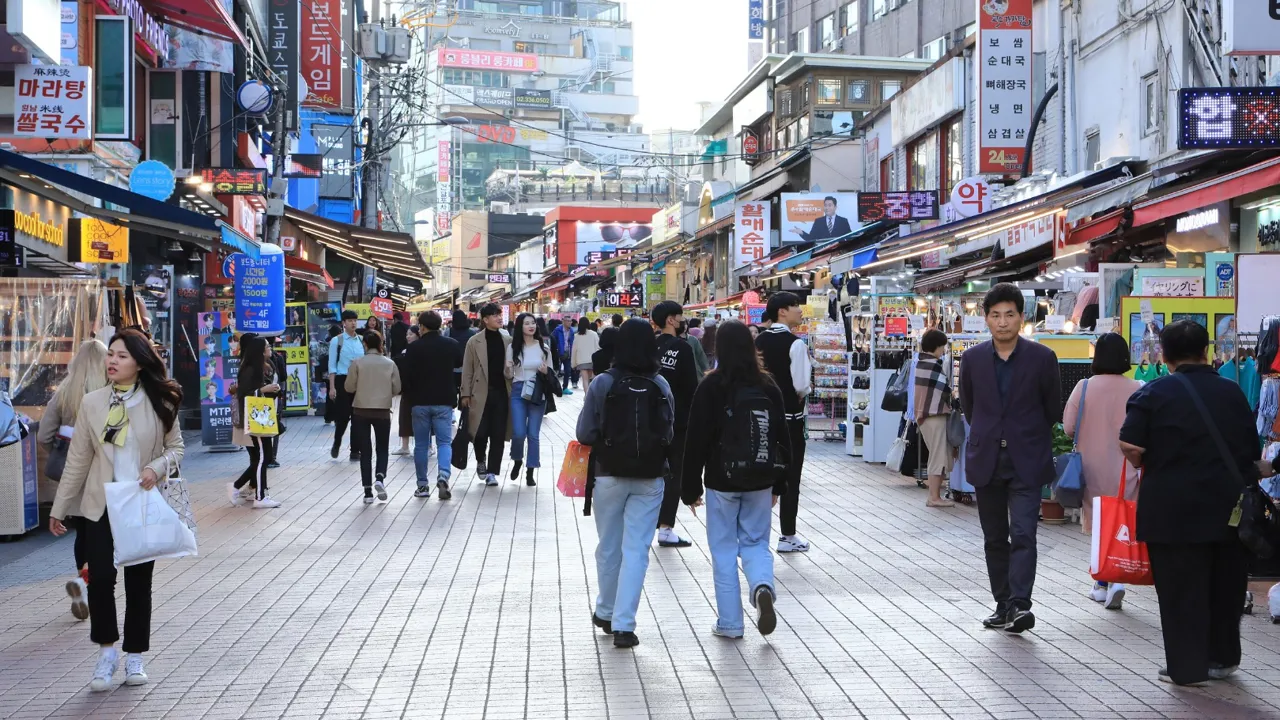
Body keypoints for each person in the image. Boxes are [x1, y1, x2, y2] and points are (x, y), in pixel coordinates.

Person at [1119, 320, 1272, 686]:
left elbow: (1131, 445)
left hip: (1170, 509)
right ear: (1206, 352)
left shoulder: (1152, 393)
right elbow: (1250, 451)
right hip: (1228, 508)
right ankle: (1222, 658)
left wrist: (1149, 463)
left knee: (1179, 588)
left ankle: (1187, 667)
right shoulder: (1232, 392)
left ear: (1164, 356)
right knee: (1226, 585)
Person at [49, 328, 184, 691]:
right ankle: (106, 654)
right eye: (111, 354)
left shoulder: (161, 401)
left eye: (122, 355)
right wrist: (60, 507)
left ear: (139, 363)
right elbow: (77, 459)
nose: (113, 360)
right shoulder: (92, 403)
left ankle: (135, 655)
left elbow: (177, 449)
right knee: (102, 579)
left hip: (139, 504)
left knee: (139, 583)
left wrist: (155, 469)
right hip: (99, 505)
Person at [959, 283, 1061, 634]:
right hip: (987, 457)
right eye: (995, 315)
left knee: (1024, 533)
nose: (1002, 322)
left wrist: (1025, 433)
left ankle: (1020, 604)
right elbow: (969, 407)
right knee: (993, 536)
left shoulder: (1042, 358)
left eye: (1009, 315)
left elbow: (1052, 408)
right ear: (985, 319)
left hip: (1027, 458)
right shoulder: (971, 359)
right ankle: (1002, 603)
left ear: (1021, 318)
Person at [681, 320, 789, 639]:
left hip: (721, 480)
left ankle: (730, 623)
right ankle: (761, 587)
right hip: (760, 478)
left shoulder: (711, 386)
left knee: (724, 550)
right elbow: (783, 440)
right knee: (756, 542)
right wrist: (779, 484)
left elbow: (696, 439)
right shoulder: (768, 384)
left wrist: (690, 488)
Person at [576, 318, 675, 649]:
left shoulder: (603, 383)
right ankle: (624, 625)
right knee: (636, 550)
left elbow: (584, 433)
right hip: (650, 477)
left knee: (609, 545)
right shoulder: (660, 385)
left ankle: (605, 610)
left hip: (608, 475)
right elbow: (669, 433)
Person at [1063, 332, 1142, 610]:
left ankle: (1102, 583)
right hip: (1126, 467)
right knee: (1122, 522)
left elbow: (1069, 427)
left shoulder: (1083, 387)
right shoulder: (1139, 387)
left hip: (1091, 466)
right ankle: (1118, 575)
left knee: (1099, 524)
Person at [40, 339, 109, 622]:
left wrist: (62, 453)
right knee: (106, 535)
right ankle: (86, 583)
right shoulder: (110, 391)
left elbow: (44, 435)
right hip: (105, 475)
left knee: (83, 533)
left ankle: (83, 581)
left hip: (73, 476)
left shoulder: (65, 392)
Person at [756, 292, 814, 553]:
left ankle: (756, 534)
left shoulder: (758, 341)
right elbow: (801, 385)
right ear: (782, 311)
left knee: (760, 475)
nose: (800, 311)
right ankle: (787, 535)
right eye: (795, 306)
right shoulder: (796, 344)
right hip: (789, 419)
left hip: (758, 418)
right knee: (790, 477)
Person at [653, 300, 699, 548]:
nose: (684, 321)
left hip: (649, 422)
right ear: (671, 320)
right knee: (674, 473)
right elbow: (691, 388)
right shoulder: (683, 348)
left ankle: (647, 522)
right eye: (681, 317)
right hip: (677, 422)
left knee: (651, 473)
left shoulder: (648, 346)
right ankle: (666, 528)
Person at [403, 312, 460, 499]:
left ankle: (422, 486)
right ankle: (444, 475)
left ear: (422, 327)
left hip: (419, 402)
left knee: (421, 444)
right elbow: (459, 365)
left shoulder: (414, 348)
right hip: (444, 400)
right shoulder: (451, 345)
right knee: (444, 442)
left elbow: (408, 376)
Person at [345, 331, 402, 503]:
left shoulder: (357, 363)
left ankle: (368, 492)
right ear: (380, 344)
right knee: (382, 447)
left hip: (361, 410)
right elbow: (397, 388)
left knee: (365, 451)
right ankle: (380, 477)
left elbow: (349, 387)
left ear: (365, 345)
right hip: (382, 411)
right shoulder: (389, 363)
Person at [462, 304, 512, 486]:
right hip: (479, 394)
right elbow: (467, 370)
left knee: (498, 433)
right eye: (495, 315)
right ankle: (480, 459)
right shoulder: (474, 341)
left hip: (502, 393)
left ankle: (492, 472)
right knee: (479, 432)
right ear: (485, 319)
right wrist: (465, 394)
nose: (499, 318)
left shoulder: (507, 339)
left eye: (500, 314)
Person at [230, 335, 282, 508]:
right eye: (267, 346)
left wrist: (273, 391)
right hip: (255, 417)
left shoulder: (262, 367)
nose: (270, 348)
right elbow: (245, 395)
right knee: (261, 457)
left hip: (263, 415)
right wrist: (263, 390)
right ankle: (259, 495)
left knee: (265, 456)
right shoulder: (249, 369)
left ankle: (253, 491)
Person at [506, 313, 550, 487]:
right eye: (526, 323)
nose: (531, 326)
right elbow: (508, 375)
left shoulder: (543, 347)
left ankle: (530, 470)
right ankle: (517, 459)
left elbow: (551, 371)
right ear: (520, 327)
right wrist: (508, 370)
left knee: (533, 434)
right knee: (518, 432)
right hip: (518, 390)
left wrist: (546, 371)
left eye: (533, 323)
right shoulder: (513, 347)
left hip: (538, 393)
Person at [914, 329, 956, 508]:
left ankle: (935, 496)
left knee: (936, 455)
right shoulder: (933, 365)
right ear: (937, 347)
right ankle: (934, 497)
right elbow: (945, 390)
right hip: (934, 414)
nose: (943, 350)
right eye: (943, 347)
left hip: (924, 415)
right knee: (937, 457)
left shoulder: (920, 363)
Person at [328, 310, 365, 460]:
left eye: (355, 320)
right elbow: (332, 365)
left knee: (358, 417)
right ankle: (337, 442)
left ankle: (355, 450)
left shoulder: (362, 340)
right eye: (349, 320)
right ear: (343, 323)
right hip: (342, 380)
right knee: (343, 417)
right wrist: (332, 387)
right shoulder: (337, 341)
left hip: (360, 381)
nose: (353, 323)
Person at [393, 325, 421, 456]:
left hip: (421, 390)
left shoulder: (423, 349)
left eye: (411, 334)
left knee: (423, 419)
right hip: (407, 390)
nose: (408, 336)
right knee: (404, 417)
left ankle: (428, 446)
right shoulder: (404, 351)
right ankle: (405, 446)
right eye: (407, 334)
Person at [263, 337, 288, 469]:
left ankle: (269, 457)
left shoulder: (273, 361)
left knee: (274, 426)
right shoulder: (277, 358)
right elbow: (283, 376)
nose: (271, 349)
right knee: (273, 427)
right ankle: (271, 456)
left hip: (274, 397)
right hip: (266, 401)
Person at [788, 196, 853, 241]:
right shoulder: (818, 221)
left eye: (829, 205)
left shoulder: (843, 221)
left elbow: (850, 237)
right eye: (825, 205)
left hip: (839, 254)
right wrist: (801, 232)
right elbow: (811, 238)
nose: (827, 208)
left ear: (835, 207)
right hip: (823, 254)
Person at [448, 310, 475, 394]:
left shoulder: (448, 332)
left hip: (452, 368)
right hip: (468, 368)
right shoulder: (472, 333)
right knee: (466, 392)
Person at [572, 317, 601, 386]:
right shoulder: (594, 334)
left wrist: (573, 363)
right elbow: (598, 347)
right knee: (591, 379)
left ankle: (586, 395)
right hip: (592, 360)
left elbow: (574, 350)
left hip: (581, 361)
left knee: (585, 380)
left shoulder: (577, 336)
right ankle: (590, 395)